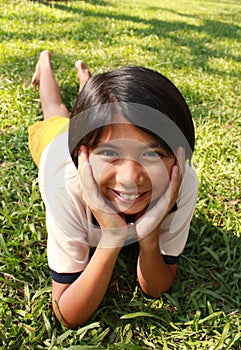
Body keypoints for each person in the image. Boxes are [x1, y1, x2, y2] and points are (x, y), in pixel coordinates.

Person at [28, 50, 198, 329]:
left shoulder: (182, 180)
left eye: (152, 154)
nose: (130, 179)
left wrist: (149, 235)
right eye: (109, 153)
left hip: (97, 127)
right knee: (55, 112)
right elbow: (67, 314)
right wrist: (112, 238)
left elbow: (156, 288)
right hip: (58, 143)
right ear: (83, 155)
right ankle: (45, 64)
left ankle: (86, 78)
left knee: (98, 103)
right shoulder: (66, 186)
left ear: (178, 156)